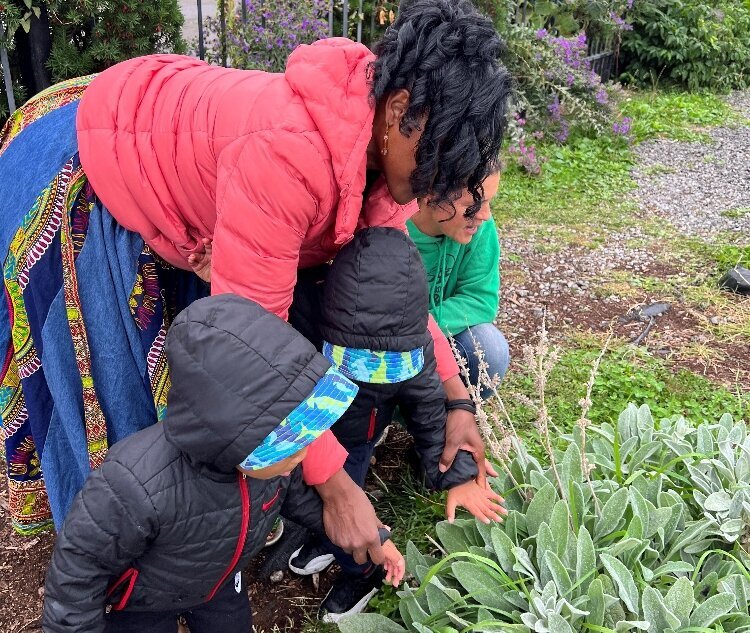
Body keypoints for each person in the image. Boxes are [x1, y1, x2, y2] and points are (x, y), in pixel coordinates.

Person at [0, 0, 511, 564]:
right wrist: (337, 487)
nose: (437, 186)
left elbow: (402, 303)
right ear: (399, 111)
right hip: (119, 140)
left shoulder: (386, 161)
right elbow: (252, 353)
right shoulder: (286, 157)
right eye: (441, 160)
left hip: (188, 122)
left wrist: (457, 398)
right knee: (149, 428)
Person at [42, 294, 405, 633]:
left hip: (219, 584)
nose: (302, 455)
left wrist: (373, 536)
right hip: (143, 601)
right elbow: (76, 576)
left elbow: (302, 503)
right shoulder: (129, 486)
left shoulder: (272, 469)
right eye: (286, 446)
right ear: (227, 435)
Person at [285, 227, 506, 622]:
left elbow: (428, 413)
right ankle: (333, 536)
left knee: (348, 493)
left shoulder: (418, 348)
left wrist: (458, 475)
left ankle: (361, 572)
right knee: (331, 495)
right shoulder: (303, 314)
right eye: (359, 362)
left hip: (363, 432)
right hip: (323, 431)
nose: (376, 375)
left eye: (392, 367)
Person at [407, 170, 510, 398]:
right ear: (430, 196)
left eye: (489, 202)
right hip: (384, 349)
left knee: (488, 349)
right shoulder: (388, 230)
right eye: (474, 204)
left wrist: (419, 330)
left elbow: (480, 300)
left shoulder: (480, 227)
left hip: (425, 335)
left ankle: (444, 422)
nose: (484, 215)